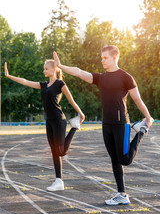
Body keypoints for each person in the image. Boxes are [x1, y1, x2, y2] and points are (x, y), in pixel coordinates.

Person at [53, 46, 154, 205]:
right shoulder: (101, 78)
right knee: (114, 159)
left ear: (115, 57)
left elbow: (138, 100)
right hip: (106, 125)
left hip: (122, 124)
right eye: (101, 57)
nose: (102, 60)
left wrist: (148, 117)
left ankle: (141, 130)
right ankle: (122, 194)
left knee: (125, 160)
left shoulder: (126, 78)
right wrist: (60, 66)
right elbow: (80, 72)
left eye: (105, 58)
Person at [4, 60, 85, 192]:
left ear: (53, 70)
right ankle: (59, 180)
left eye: (46, 69)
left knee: (62, 151)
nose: (44, 71)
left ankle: (74, 127)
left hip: (59, 120)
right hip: (49, 121)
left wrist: (81, 114)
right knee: (54, 151)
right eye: (43, 68)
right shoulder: (43, 85)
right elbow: (25, 81)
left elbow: (71, 100)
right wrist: (9, 75)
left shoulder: (60, 84)